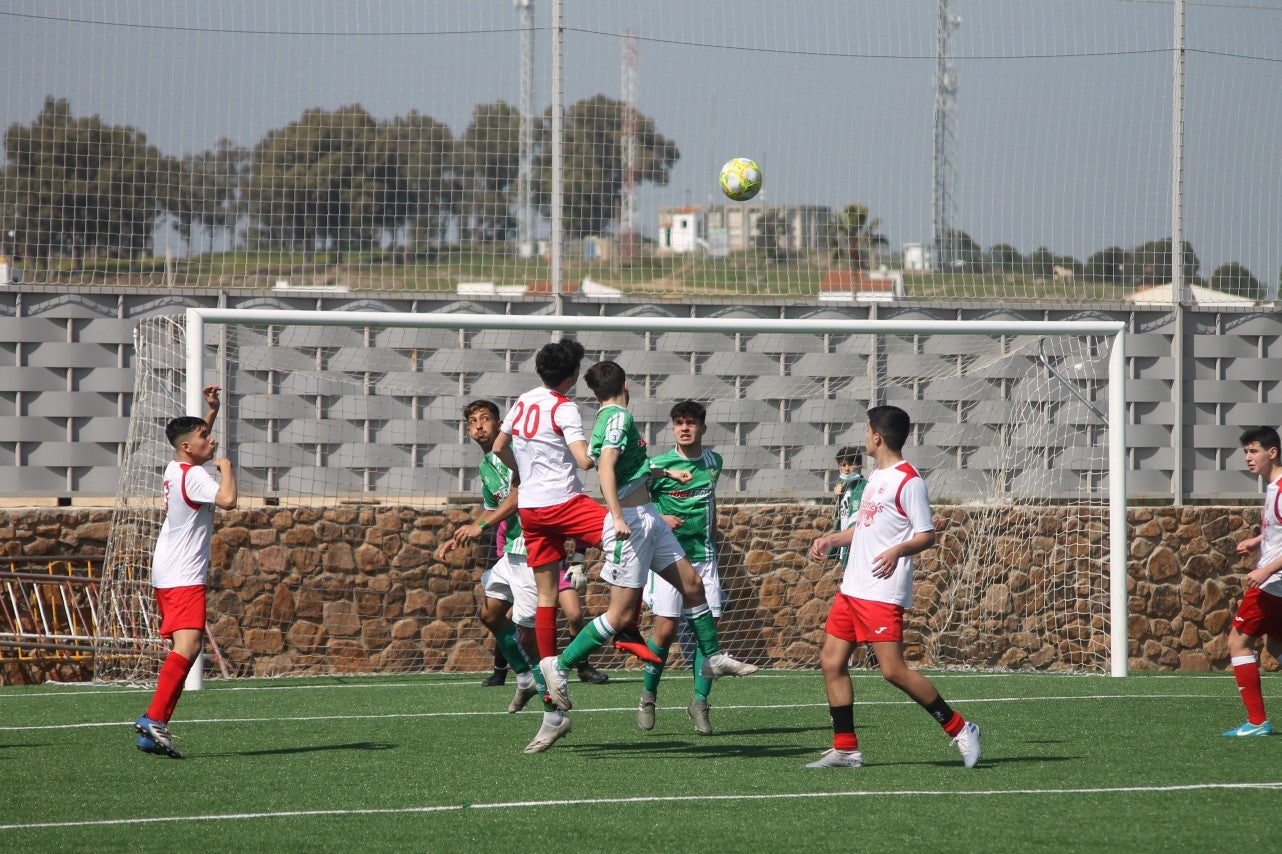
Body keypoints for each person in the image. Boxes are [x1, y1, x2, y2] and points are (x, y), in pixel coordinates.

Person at [538, 361, 758, 727]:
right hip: (633, 523)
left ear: (594, 394)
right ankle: (558, 667)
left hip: (648, 519)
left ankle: (714, 657)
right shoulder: (618, 418)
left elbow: (622, 465)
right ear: (626, 385)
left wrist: (664, 472)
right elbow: (605, 467)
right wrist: (618, 517)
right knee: (621, 616)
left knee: (693, 585)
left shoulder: (613, 419)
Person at [491, 338, 645, 753]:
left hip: (532, 511)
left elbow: (499, 447)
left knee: (545, 600)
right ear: (573, 376)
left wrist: (525, 474)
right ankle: (625, 624)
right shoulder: (564, 407)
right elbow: (583, 461)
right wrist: (604, 451)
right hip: (563, 504)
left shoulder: (524, 400)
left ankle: (551, 712)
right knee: (630, 538)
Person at [806, 405, 981, 769]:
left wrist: (899, 550)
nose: (864, 436)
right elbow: (866, 528)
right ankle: (846, 748)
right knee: (831, 661)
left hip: (880, 593)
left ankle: (962, 729)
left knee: (893, 671)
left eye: (867, 430)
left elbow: (926, 534)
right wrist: (832, 539)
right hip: (852, 589)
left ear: (877, 437)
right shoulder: (875, 477)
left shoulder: (908, 481)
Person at [134, 386, 237, 758]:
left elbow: (192, 444)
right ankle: (154, 719)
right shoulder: (195, 477)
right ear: (187, 447)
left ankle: (153, 728)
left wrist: (211, 412)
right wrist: (226, 469)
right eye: (204, 437)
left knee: (187, 648)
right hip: (182, 575)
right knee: (189, 645)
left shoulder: (177, 466)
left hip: (169, 570)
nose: (210, 440)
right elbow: (228, 501)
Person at [434, 400, 549, 722]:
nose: (479, 425)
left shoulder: (513, 453)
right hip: (511, 549)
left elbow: (519, 496)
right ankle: (524, 678)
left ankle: (552, 696)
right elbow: (491, 507)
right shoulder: (486, 466)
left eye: (486, 419)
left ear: (499, 424)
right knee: (490, 613)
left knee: (528, 632)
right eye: (473, 421)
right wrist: (460, 535)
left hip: (530, 545)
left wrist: (480, 526)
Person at [637, 400, 726, 735]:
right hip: (669, 562)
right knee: (664, 630)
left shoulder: (714, 463)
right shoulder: (657, 465)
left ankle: (699, 703)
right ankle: (648, 696)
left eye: (690, 422)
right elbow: (636, 501)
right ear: (672, 428)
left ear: (702, 427)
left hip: (704, 559)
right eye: (678, 423)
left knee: (708, 637)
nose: (684, 428)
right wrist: (660, 517)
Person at [1221, 425, 1282, 737]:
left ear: (1272, 452)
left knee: (1238, 642)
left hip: (1274, 585)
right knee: (1276, 645)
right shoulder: (1272, 488)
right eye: (1246, 451)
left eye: (1254, 451)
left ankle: (1257, 722)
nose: (1248, 457)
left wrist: (1266, 570)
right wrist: (1259, 540)